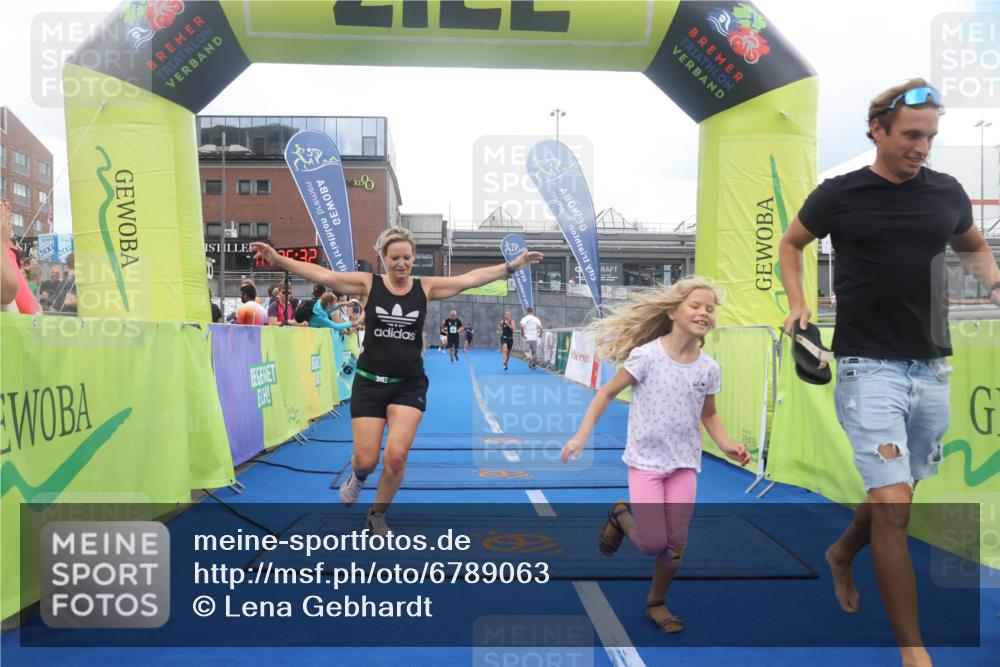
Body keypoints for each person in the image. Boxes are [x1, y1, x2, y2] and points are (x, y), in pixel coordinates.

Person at [778, 79, 1000, 667]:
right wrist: (798, 302)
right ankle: (914, 652)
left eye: (929, 137)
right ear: (877, 130)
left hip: (933, 366)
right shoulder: (839, 195)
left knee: (898, 495)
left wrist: (996, 286)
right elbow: (791, 244)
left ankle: (842, 551)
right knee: (895, 506)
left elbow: (974, 246)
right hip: (866, 366)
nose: (922, 147)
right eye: (911, 135)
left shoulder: (948, 192)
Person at [252, 228, 542, 535]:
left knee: (397, 454)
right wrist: (277, 258)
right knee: (365, 460)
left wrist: (513, 266)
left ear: (414, 258)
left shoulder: (426, 287)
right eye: (394, 258)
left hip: (409, 384)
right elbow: (323, 273)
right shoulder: (368, 284)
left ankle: (377, 514)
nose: (401, 263)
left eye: (406, 257)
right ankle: (359, 476)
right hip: (369, 383)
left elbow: (470, 278)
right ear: (384, 258)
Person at [561, 278, 749, 635]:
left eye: (709, 308)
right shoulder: (647, 355)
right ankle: (620, 517)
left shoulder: (709, 368)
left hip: (684, 464)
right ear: (672, 312)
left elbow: (709, 414)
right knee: (651, 542)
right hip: (646, 462)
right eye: (695, 305)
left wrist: (725, 444)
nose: (703, 313)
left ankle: (656, 602)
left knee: (676, 544)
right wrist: (581, 435)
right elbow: (606, 393)